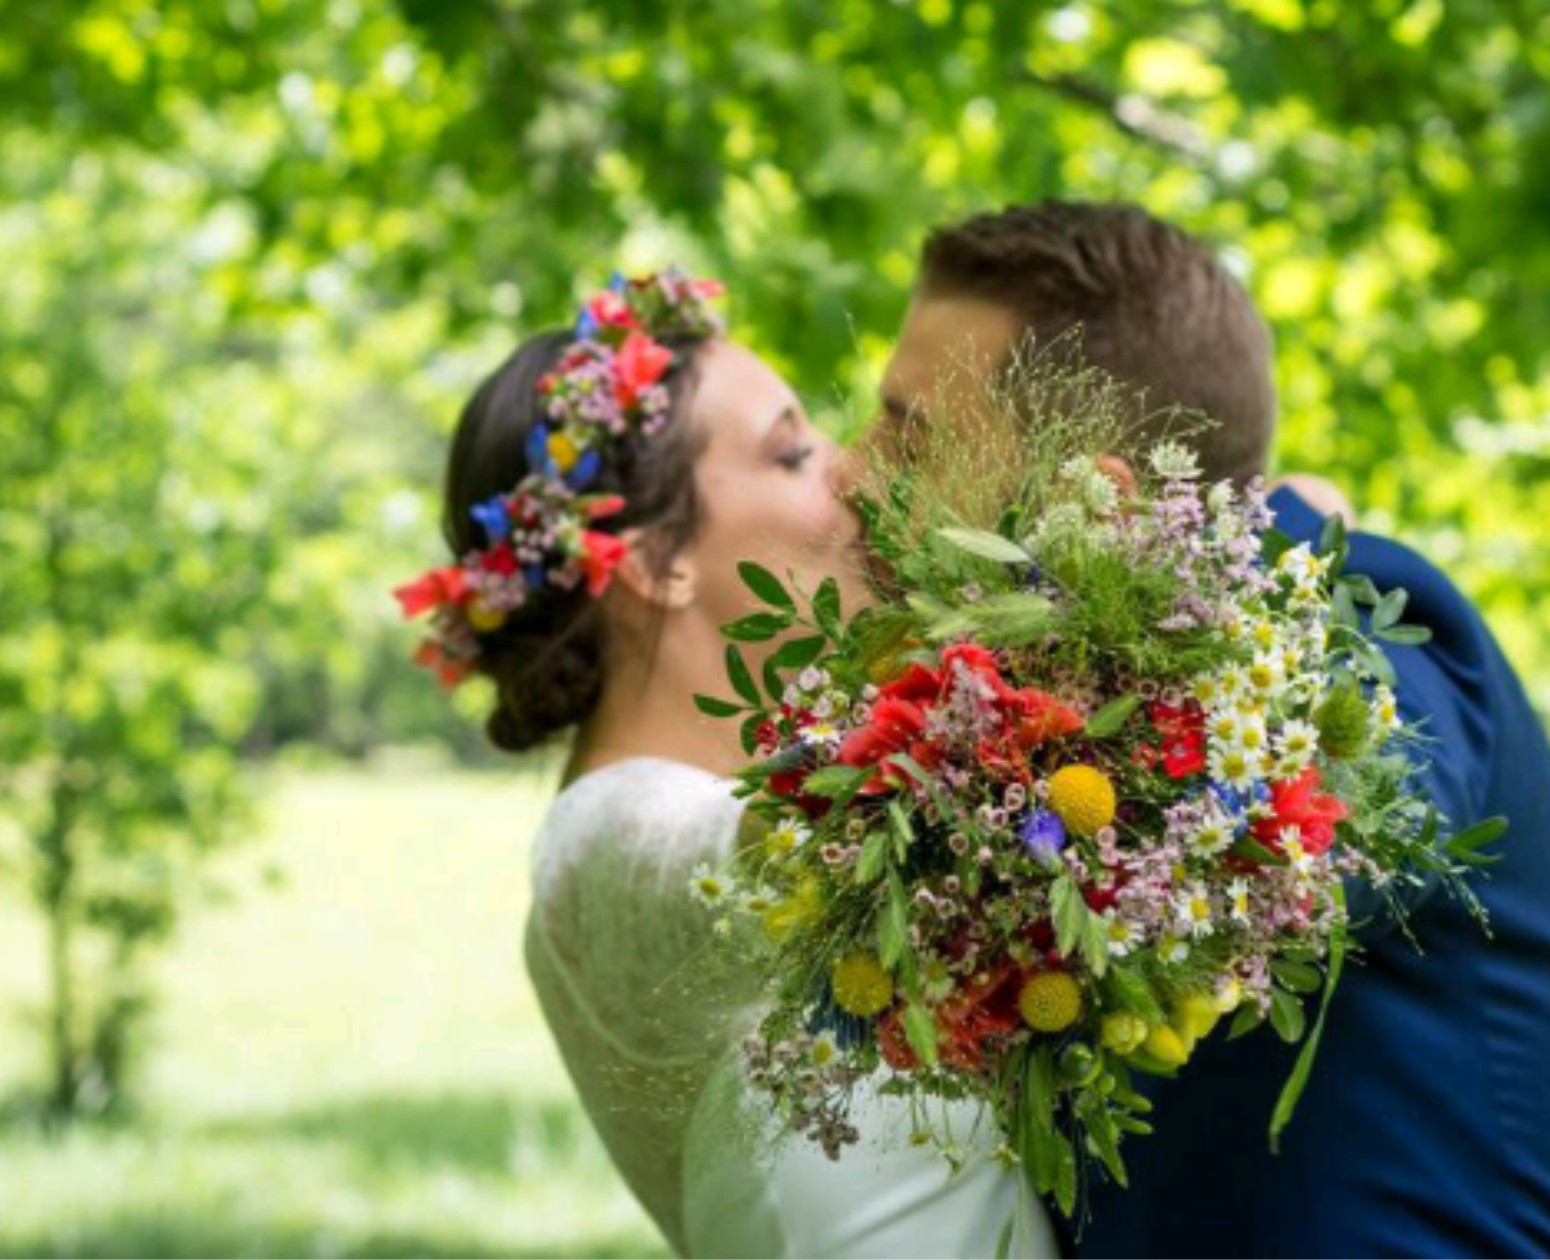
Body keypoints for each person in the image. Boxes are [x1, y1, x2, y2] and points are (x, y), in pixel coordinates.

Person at [880, 203, 1550, 1257]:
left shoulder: (1364, 619)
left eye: (913, 434)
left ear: (1097, 501)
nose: (856, 475)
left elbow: (1300, 834)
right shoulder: (1028, 700)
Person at [397, 270, 1057, 1258]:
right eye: (792, 452)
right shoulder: (602, 844)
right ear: (653, 564)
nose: (853, 468)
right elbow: (755, 850)